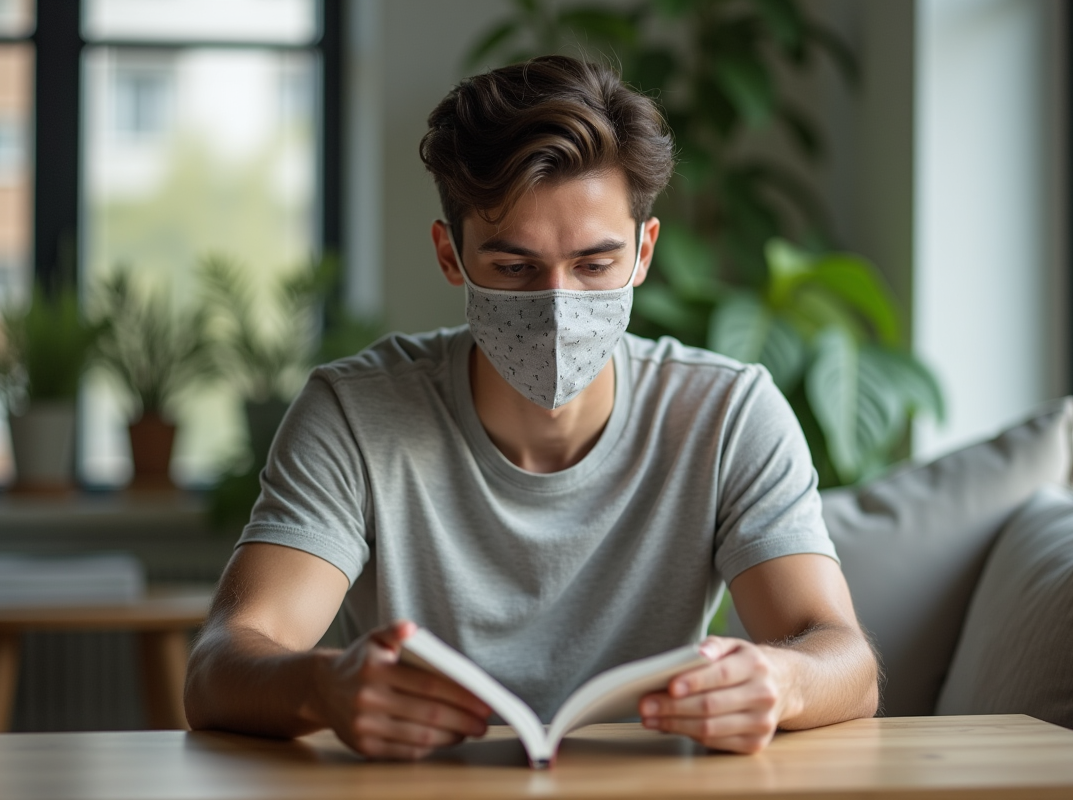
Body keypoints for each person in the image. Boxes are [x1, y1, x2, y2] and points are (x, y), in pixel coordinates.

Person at [185, 55, 878, 761]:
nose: (558, 308)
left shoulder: (729, 414)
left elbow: (844, 660)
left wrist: (781, 681)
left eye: (595, 265)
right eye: (514, 269)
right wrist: (324, 690)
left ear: (644, 253)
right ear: (451, 256)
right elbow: (219, 666)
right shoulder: (354, 413)